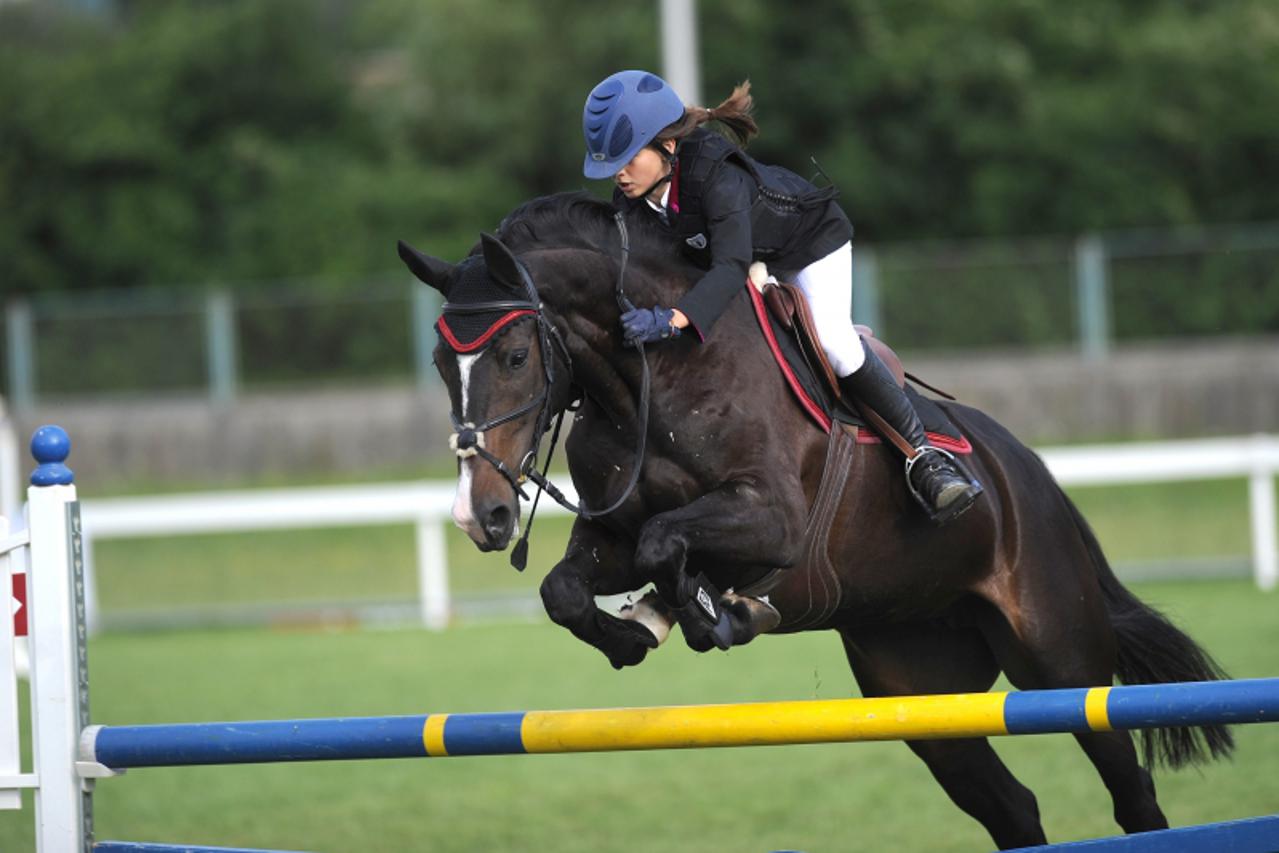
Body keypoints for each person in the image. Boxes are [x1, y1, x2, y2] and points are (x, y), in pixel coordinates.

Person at [582, 70, 983, 526]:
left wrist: (672, 319)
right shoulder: (631, 199)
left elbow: (729, 267)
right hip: (750, 258)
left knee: (832, 342)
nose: (618, 172)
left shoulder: (716, 175)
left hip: (809, 246)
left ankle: (923, 457)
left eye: (628, 157)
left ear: (668, 147)